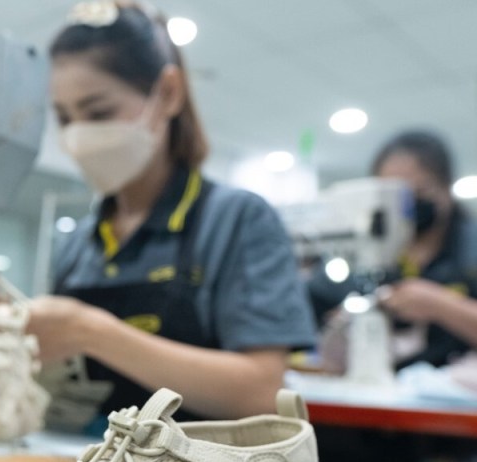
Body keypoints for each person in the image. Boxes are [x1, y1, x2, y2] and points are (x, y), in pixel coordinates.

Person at [26, 1, 316, 422]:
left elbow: (262, 392)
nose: (77, 136)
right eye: (64, 118)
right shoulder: (79, 244)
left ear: (167, 94)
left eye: (98, 113)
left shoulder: (236, 220)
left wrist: (92, 333)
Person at [309, 130, 477, 369]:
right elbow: (312, 303)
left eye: (418, 192)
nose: (406, 205)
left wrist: (440, 305)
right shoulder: (366, 251)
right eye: (393, 195)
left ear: (447, 188)